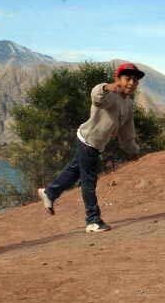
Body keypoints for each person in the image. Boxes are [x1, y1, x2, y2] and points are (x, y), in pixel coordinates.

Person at [38, 62, 145, 232]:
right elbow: (96, 96)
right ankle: (92, 220)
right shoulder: (110, 94)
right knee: (88, 181)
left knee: (74, 171)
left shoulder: (129, 105)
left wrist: (133, 150)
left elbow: (127, 131)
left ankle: (50, 193)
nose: (131, 83)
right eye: (127, 78)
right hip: (87, 140)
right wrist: (107, 87)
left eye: (135, 80)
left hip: (96, 145)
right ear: (117, 79)